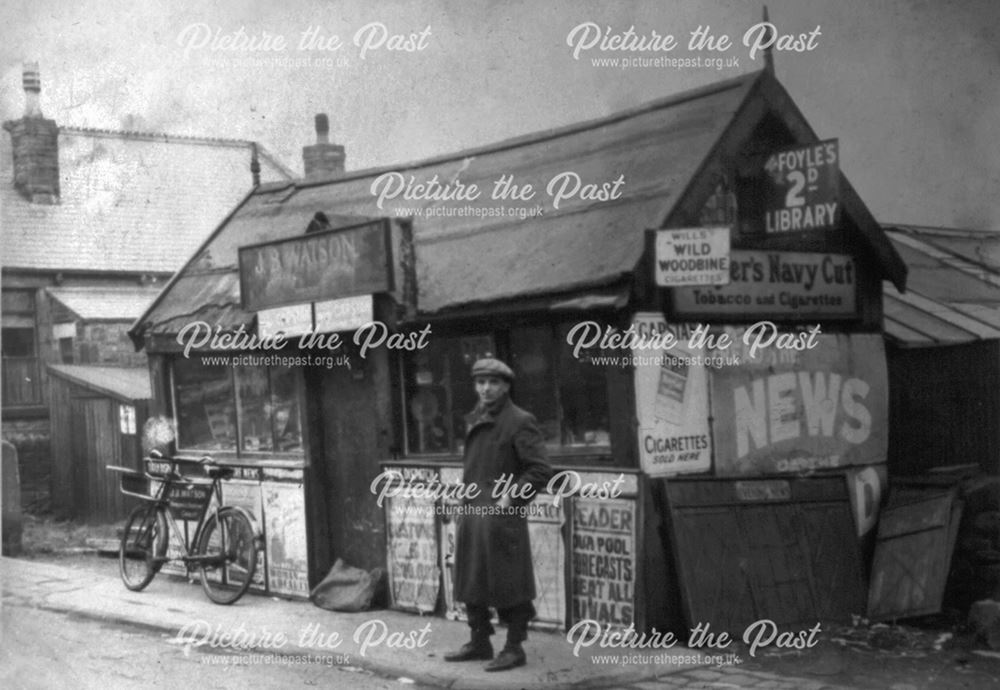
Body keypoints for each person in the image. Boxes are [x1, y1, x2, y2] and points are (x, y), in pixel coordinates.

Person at [444, 357, 554, 672]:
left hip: (500, 516)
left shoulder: (520, 420)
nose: (486, 389)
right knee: (470, 579)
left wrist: (511, 497)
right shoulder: (474, 418)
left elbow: (540, 469)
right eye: (480, 382)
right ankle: (480, 641)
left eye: (493, 382)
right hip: (474, 510)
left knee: (510, 584)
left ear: (506, 386)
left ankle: (514, 647)